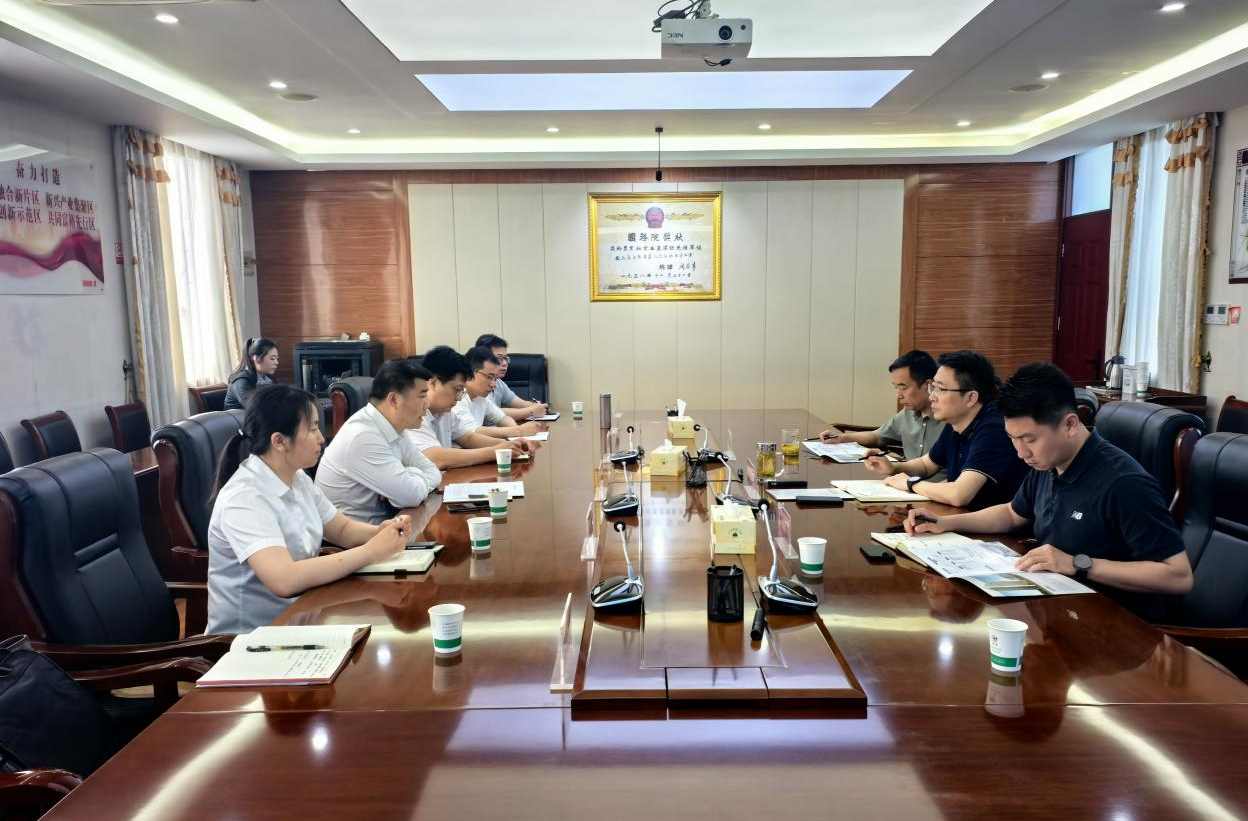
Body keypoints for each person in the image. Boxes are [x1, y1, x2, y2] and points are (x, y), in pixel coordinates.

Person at [904, 362, 1193, 619]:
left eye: (1029, 439)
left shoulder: (1124, 484)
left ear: (1070, 424)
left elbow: (1178, 576)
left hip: (1112, 626)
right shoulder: (1049, 463)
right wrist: (946, 523)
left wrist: (1078, 564)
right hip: (1058, 609)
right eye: (1013, 439)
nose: (1021, 453)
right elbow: (1012, 513)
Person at [206, 384, 411, 634]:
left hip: (304, 615)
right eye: (313, 428)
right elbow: (284, 579)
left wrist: (380, 532)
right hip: (253, 638)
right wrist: (370, 552)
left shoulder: (297, 477)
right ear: (279, 441)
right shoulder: (245, 498)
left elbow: (342, 529)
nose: (321, 438)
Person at [864, 350, 1026, 509]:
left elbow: (959, 495)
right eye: (932, 387)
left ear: (971, 397)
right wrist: (893, 468)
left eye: (940, 389)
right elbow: (927, 465)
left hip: (995, 524)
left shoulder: (994, 430)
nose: (932, 396)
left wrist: (910, 483)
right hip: (962, 517)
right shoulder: (956, 422)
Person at [315, 359, 443, 524]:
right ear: (394, 400)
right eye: (422, 395)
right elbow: (411, 496)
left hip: (388, 525)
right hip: (357, 536)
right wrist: (410, 478)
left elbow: (433, 472)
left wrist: (409, 474)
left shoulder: (394, 427)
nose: (427, 404)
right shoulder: (363, 437)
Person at [819, 349, 946, 475]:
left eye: (903, 387)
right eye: (895, 387)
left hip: (936, 486)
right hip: (905, 482)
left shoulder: (950, 420)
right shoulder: (907, 413)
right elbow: (878, 436)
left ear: (929, 385)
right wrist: (842, 438)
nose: (898, 395)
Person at [406, 345, 534, 470]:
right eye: (457, 390)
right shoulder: (412, 413)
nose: (459, 398)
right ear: (433, 383)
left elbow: (468, 438)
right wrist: (494, 452)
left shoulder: (444, 412)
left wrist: (510, 445)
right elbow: (436, 458)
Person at [455, 346, 549, 439]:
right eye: (489, 377)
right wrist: (518, 431)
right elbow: (472, 432)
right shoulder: (458, 397)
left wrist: (521, 431)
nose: (494, 385)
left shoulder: (481, 397)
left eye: (495, 379)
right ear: (471, 373)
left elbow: (502, 418)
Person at [474, 333, 548, 421]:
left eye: (506, 358)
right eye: (499, 358)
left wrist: (538, 406)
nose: (504, 363)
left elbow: (518, 402)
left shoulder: (498, 382)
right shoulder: (477, 382)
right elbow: (492, 412)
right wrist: (531, 411)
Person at [224, 337, 279, 411]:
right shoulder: (241, 380)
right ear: (256, 359)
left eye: (277, 359)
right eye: (272, 359)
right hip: (239, 417)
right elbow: (256, 407)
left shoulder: (269, 378)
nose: (276, 362)